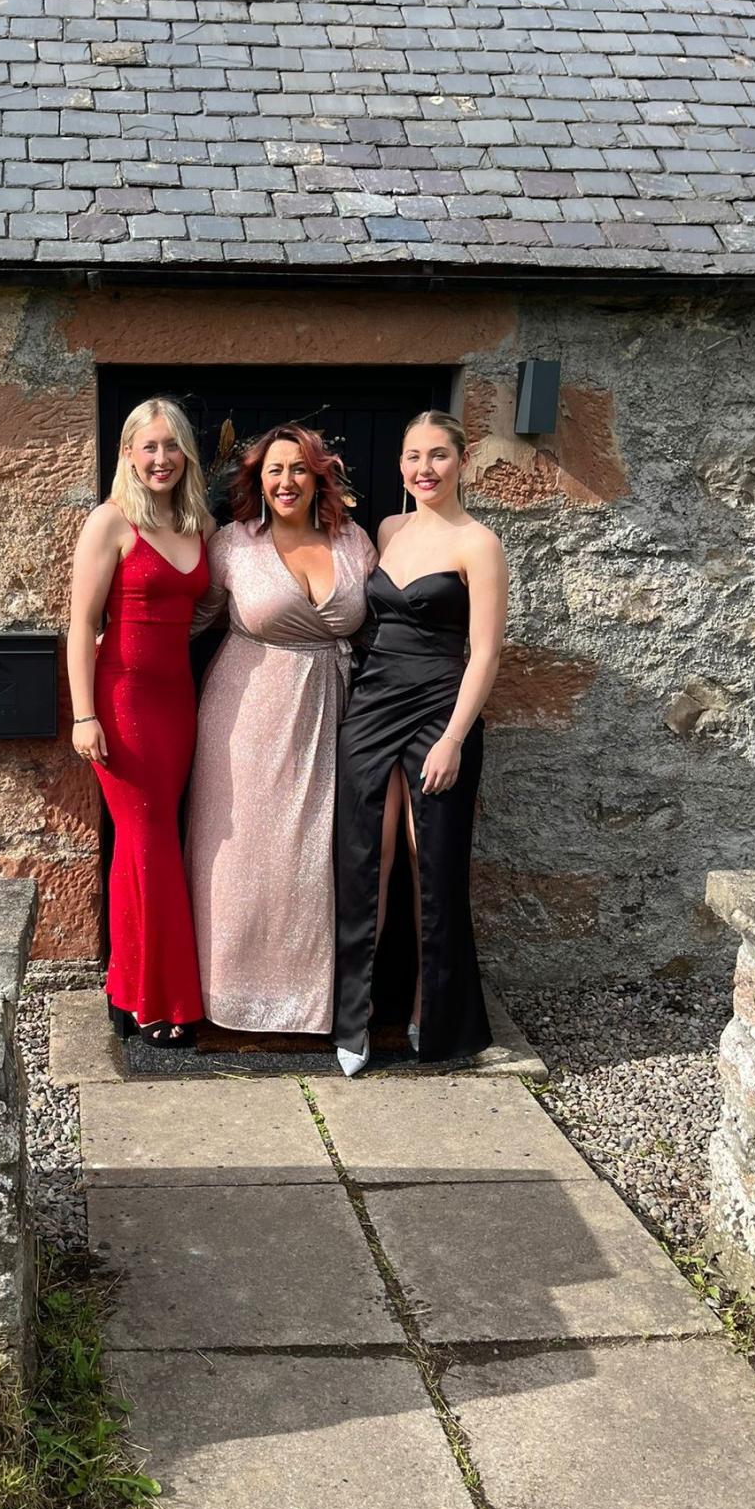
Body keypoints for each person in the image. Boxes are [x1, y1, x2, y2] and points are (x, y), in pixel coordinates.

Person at [332, 410, 507, 1076]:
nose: (424, 468)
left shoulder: (479, 543)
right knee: (364, 860)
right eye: (413, 456)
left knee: (427, 857)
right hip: (374, 706)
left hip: (442, 707)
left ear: (463, 462)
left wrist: (455, 738)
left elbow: (486, 652)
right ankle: (354, 1019)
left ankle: (430, 1011)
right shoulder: (389, 529)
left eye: (438, 455)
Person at [187, 424, 377, 1035]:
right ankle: (227, 995)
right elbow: (195, 620)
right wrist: (120, 651)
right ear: (257, 480)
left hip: (332, 713)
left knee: (312, 858)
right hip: (243, 716)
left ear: (320, 475)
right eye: (274, 470)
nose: (286, 481)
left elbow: (386, 628)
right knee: (241, 857)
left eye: (299, 469)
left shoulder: (355, 543)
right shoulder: (233, 545)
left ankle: (308, 1004)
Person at [67, 397, 214, 1046]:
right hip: (122, 700)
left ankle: (128, 988)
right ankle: (154, 997)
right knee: (146, 837)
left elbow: (206, 605)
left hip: (177, 701)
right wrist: (83, 713)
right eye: (148, 446)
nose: (161, 458)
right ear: (129, 452)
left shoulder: (195, 524)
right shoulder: (110, 522)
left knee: (147, 840)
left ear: (186, 455)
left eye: (172, 445)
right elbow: (79, 625)